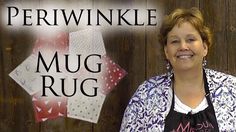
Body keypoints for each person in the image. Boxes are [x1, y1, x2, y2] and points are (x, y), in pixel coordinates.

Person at [120, 7, 236, 132]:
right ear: (166, 51)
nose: (183, 46)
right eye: (175, 41)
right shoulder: (145, 96)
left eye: (190, 39)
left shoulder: (231, 89)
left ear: (205, 47)